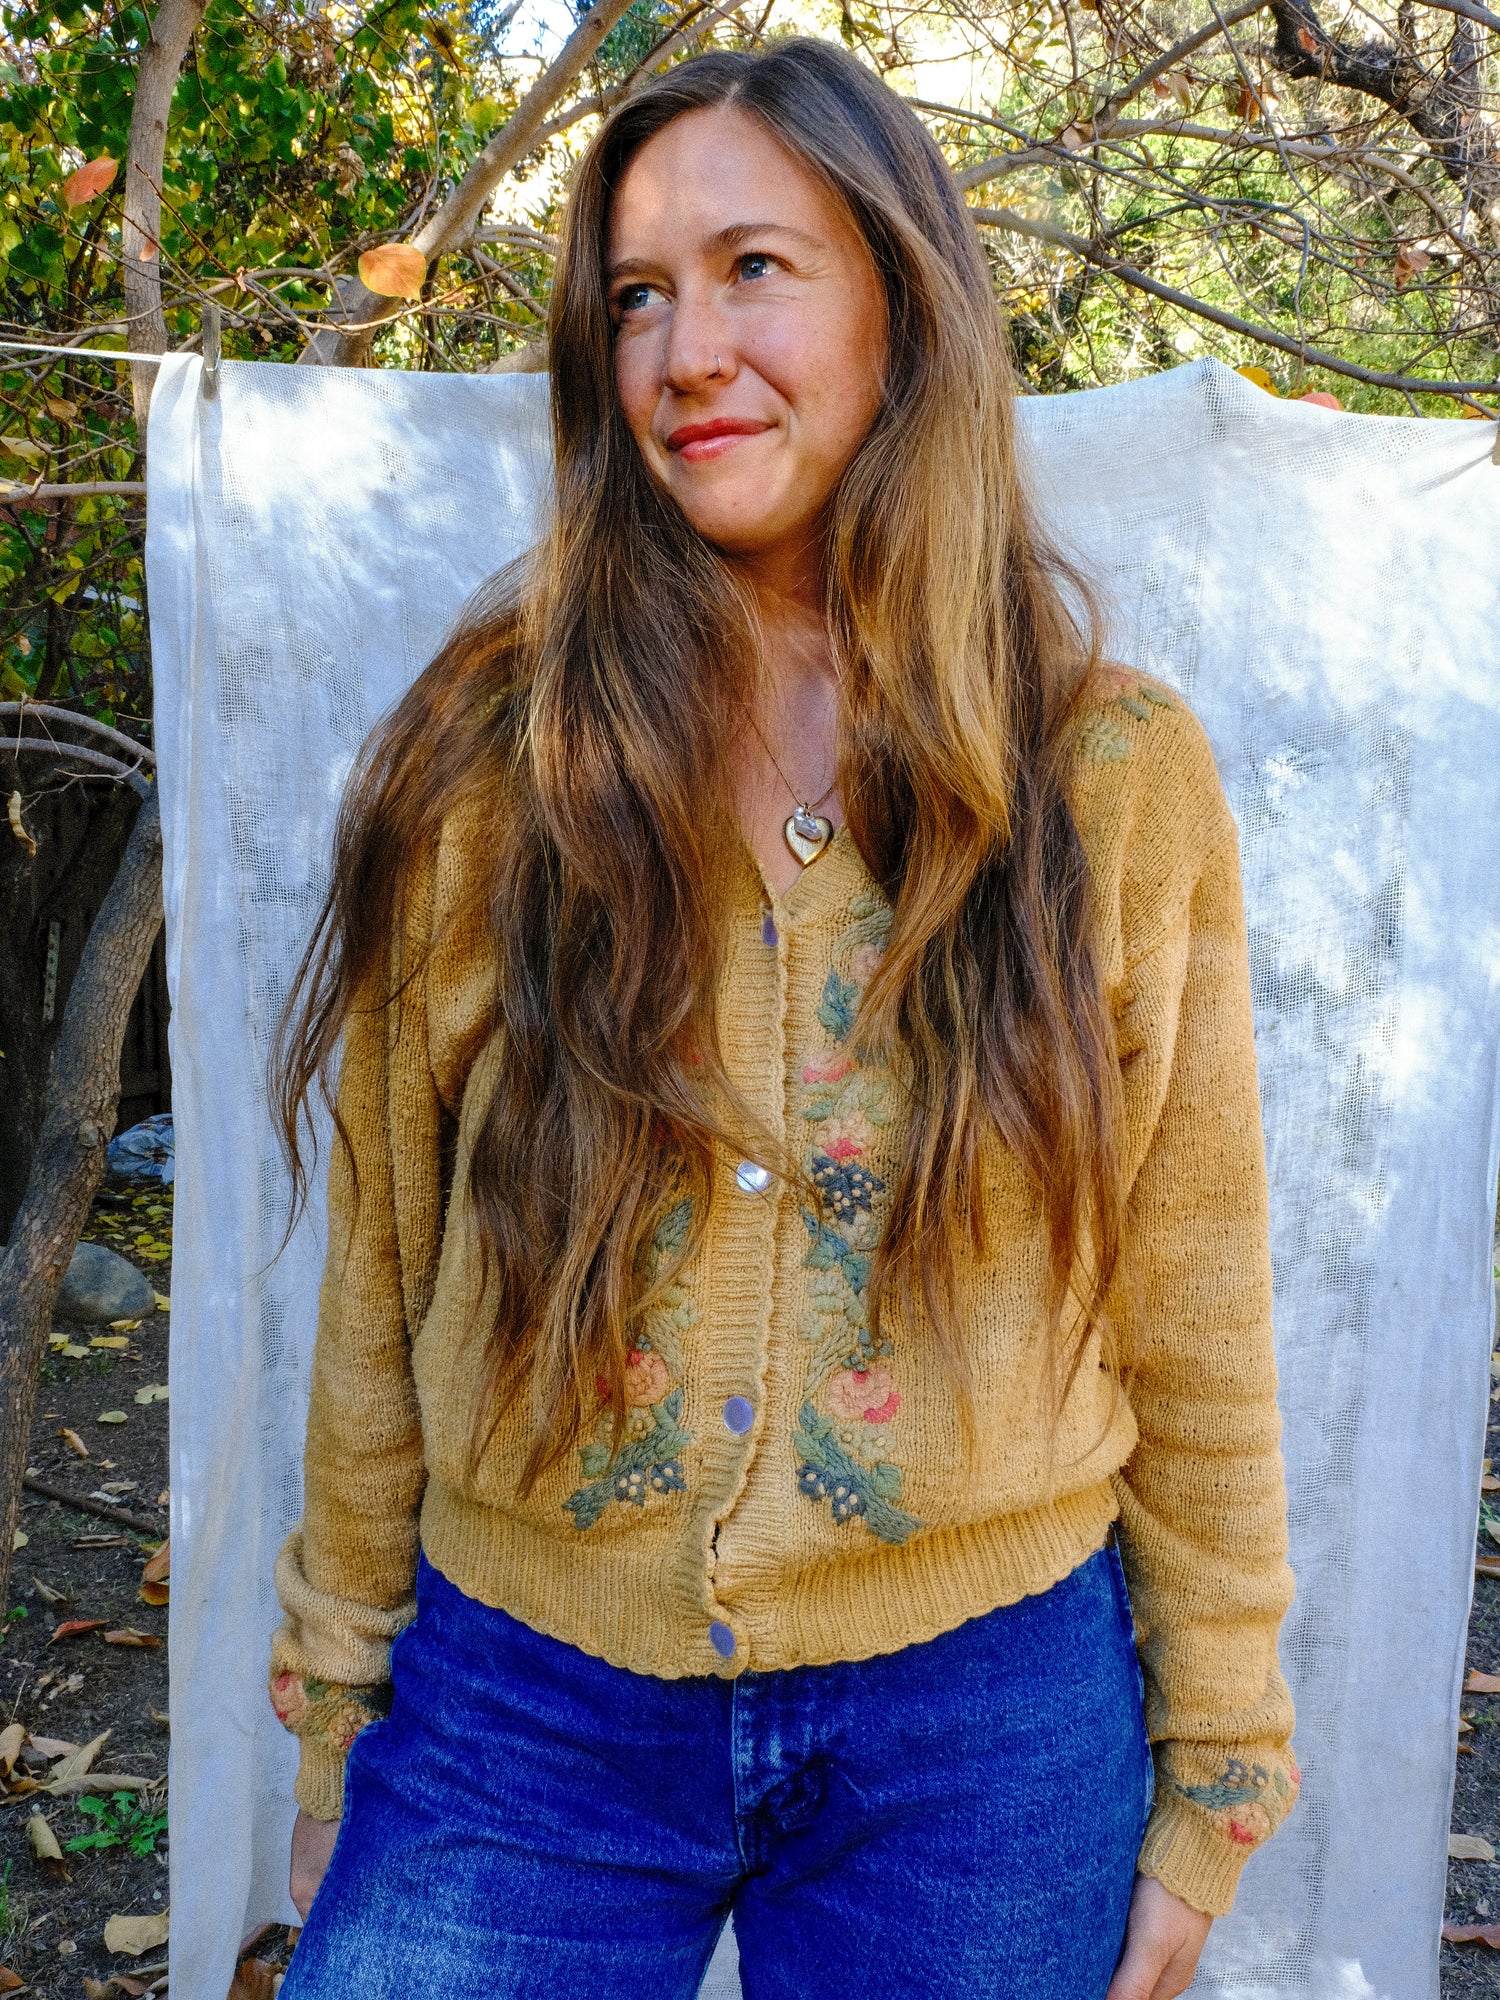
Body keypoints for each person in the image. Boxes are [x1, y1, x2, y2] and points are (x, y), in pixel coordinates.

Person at [267, 37, 1297, 2000]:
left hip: (984, 1726)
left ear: (903, 301)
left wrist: (1223, 1759)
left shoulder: (1109, 777)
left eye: (754, 268)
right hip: (523, 1700)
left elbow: (1195, 1291)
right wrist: (341, 1705)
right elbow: (388, 1259)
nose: (684, 351)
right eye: (637, 296)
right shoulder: (500, 758)